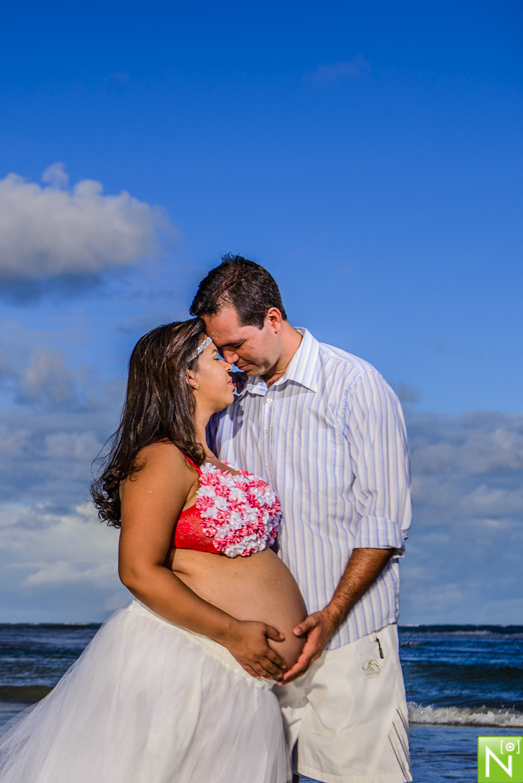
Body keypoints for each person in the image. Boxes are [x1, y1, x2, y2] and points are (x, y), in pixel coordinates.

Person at [0, 319, 306, 783]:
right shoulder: (161, 457)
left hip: (234, 675)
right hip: (194, 662)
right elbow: (138, 571)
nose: (233, 366)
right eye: (217, 357)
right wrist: (233, 632)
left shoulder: (214, 458)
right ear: (186, 373)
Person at [191, 255, 412, 783]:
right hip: (258, 653)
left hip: (348, 640)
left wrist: (332, 614)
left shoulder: (355, 385)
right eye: (219, 349)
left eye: (235, 344)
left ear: (273, 318)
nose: (228, 359)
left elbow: (384, 522)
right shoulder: (232, 402)